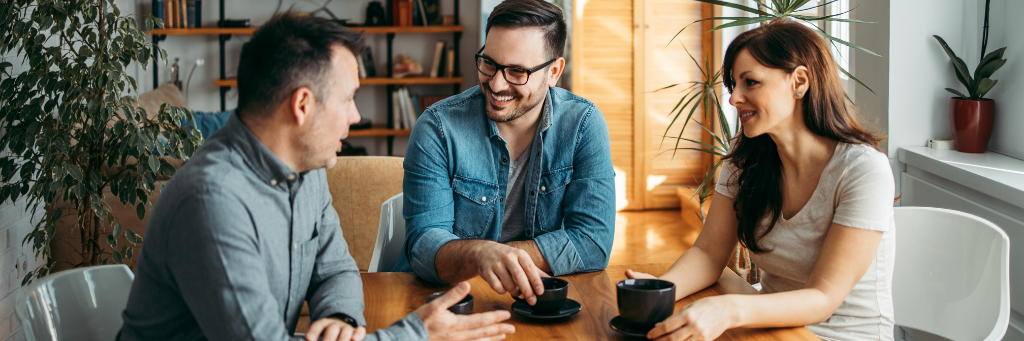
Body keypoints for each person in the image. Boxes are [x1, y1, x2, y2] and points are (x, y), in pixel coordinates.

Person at [118, 13, 515, 341]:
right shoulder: (211, 203)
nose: (356, 116)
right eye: (348, 99)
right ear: (302, 106)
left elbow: (337, 268)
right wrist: (417, 334)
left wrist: (339, 319)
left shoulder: (304, 168)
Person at [625, 19, 896, 341]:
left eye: (750, 82)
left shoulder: (863, 171)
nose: (734, 98)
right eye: (733, 86)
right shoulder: (746, 161)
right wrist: (663, 290)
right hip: (768, 331)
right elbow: (710, 253)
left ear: (799, 81)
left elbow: (823, 298)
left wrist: (727, 310)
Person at [394, 0, 615, 307]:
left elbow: (593, 242)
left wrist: (505, 257)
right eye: (489, 63)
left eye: (516, 71)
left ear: (554, 72)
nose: (496, 84)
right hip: (447, 302)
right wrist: (482, 253)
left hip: (537, 301)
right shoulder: (438, 128)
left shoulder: (583, 125)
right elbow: (423, 247)